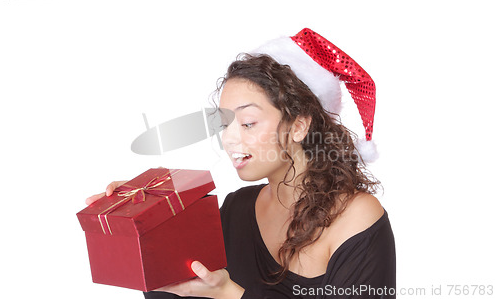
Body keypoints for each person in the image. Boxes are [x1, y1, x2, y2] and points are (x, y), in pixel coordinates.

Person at [86, 28, 396, 298]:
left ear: (300, 125)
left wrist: (229, 293)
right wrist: (138, 224)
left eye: (248, 123)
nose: (230, 140)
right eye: (225, 125)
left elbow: (221, 291)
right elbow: (183, 292)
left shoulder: (356, 218)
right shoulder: (235, 210)